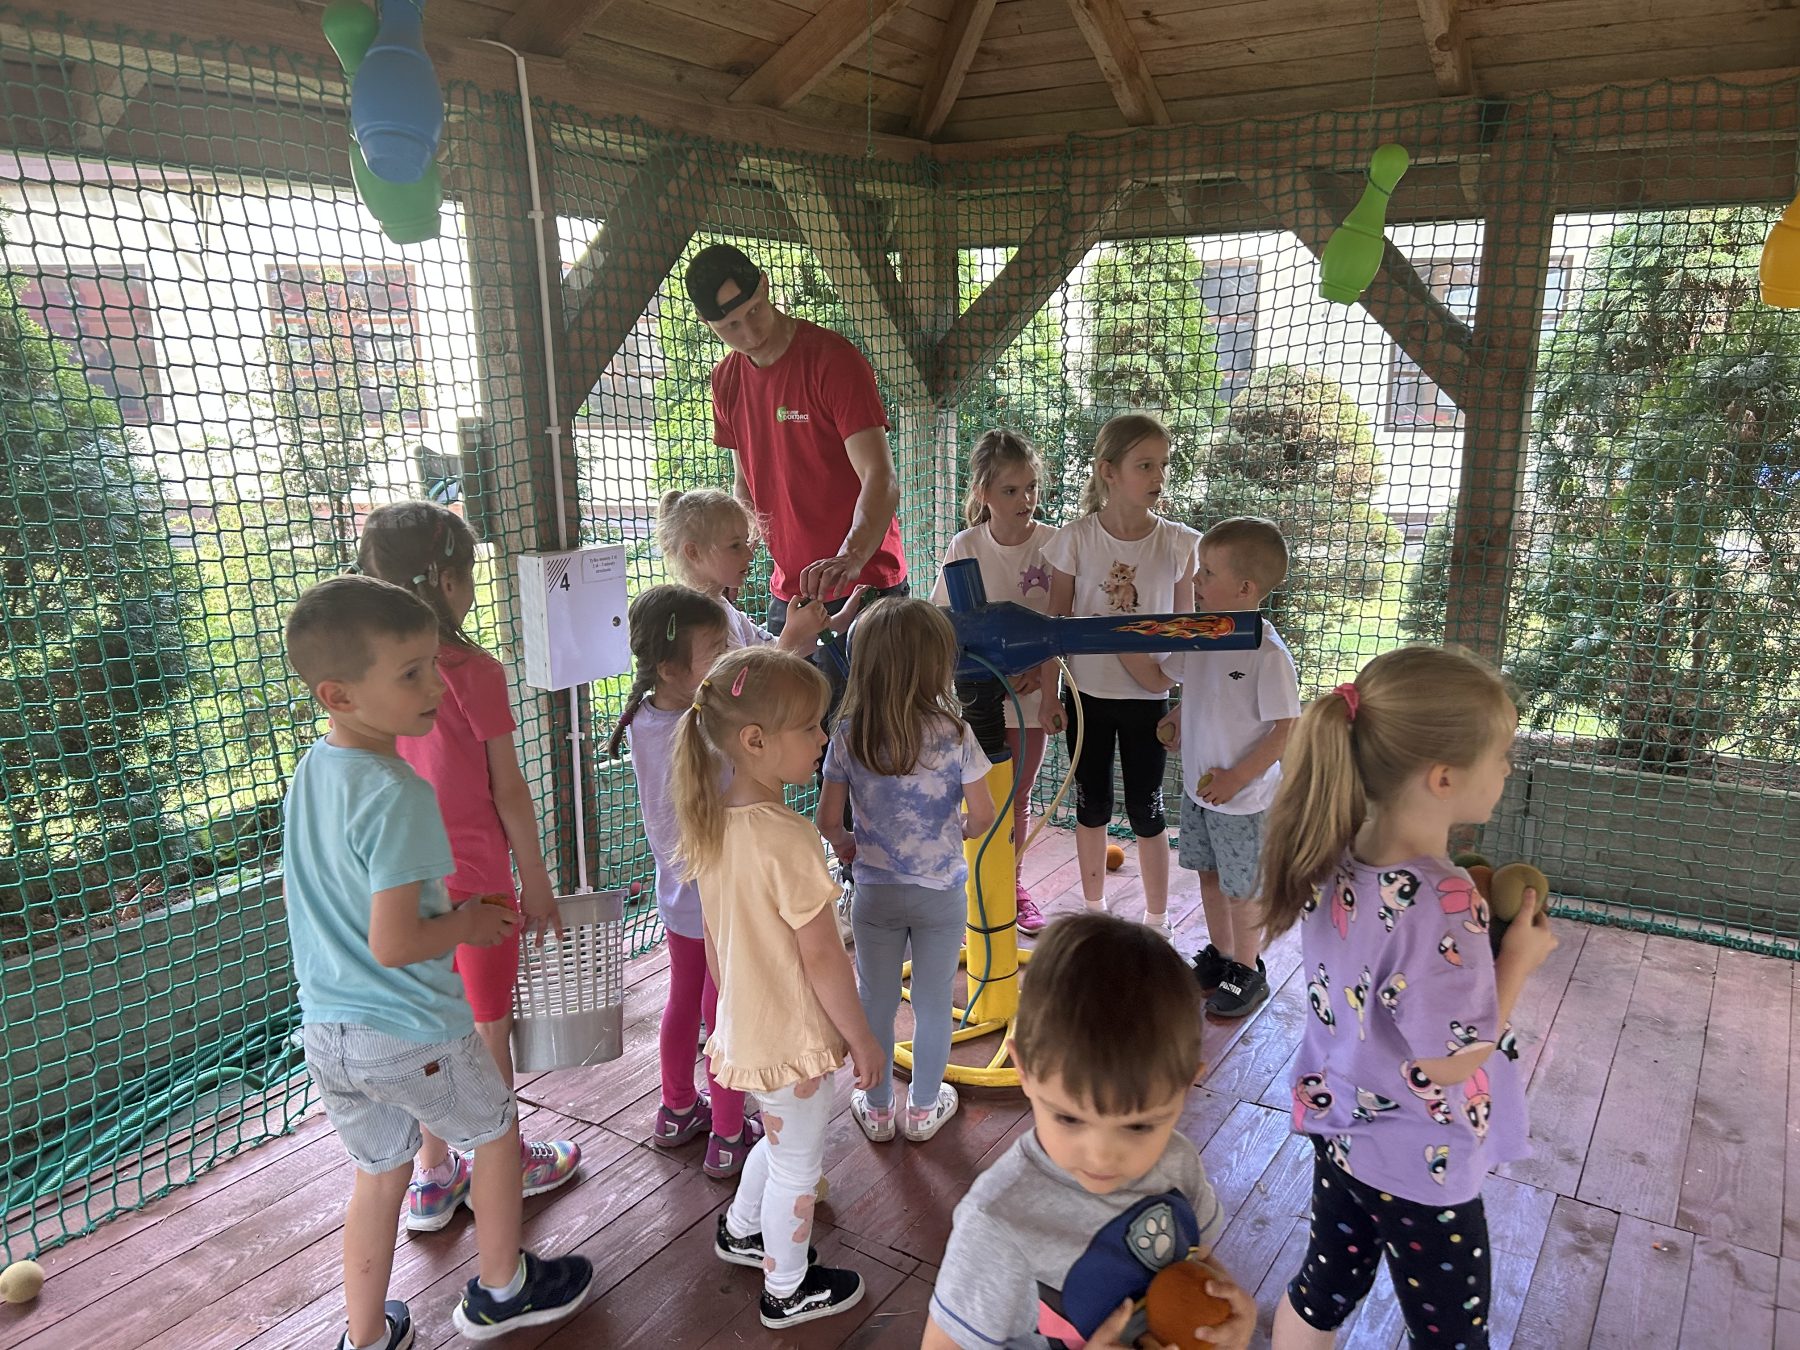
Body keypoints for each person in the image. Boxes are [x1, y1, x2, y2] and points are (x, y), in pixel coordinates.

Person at [280, 576, 592, 1350]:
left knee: (380, 1172)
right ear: (337, 694)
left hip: (328, 1032)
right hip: (411, 1028)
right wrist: (469, 921)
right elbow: (394, 942)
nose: (434, 686)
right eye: (411, 673)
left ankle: (365, 1335)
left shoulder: (313, 771)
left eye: (432, 666)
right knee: (495, 1131)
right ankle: (503, 1291)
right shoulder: (399, 791)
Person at [1262, 647, 1558, 1350]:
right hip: (1421, 1162)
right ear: (1444, 777)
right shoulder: (1446, 903)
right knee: (1452, 1335)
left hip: (1343, 1131)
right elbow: (1450, 1061)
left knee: (1321, 1291)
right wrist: (1516, 962)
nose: (1508, 770)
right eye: (1502, 755)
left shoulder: (1336, 849)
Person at [356, 503, 580, 1228]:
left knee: (427, 1029)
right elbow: (507, 787)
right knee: (488, 1031)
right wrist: (538, 885)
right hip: (479, 887)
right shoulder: (472, 670)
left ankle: (432, 1176)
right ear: (448, 580)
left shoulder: (367, 680)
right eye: (472, 574)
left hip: (399, 891)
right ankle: (500, 1166)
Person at [923, 913, 1256, 1350]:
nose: (1101, 1155)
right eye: (1069, 1118)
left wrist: (1233, 1315)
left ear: (1186, 1086)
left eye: (1139, 1125)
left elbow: (1200, 1260)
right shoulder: (997, 1222)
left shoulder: (1177, 1163)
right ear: (1024, 1070)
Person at [672, 645, 885, 1329]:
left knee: (779, 1140)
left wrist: (734, 1012)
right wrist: (862, 1037)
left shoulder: (711, 822)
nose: (823, 737)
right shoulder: (788, 837)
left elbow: (715, 943)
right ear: (756, 741)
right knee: (798, 1165)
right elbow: (822, 956)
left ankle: (741, 1231)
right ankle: (786, 1290)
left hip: (747, 1028)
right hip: (792, 1039)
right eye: (811, 725)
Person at [683, 242, 908, 693]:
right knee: (789, 724)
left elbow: (880, 477)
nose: (749, 332)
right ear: (709, 327)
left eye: (754, 311)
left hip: (864, 586)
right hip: (790, 595)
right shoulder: (725, 380)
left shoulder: (831, 360)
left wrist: (851, 556)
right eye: (730, 326)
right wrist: (732, 557)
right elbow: (745, 484)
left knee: (870, 729)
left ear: (766, 287)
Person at [817, 598, 995, 1145]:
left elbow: (827, 820)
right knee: (934, 1001)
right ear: (936, 665)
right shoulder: (955, 733)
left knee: (876, 997)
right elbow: (984, 814)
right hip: (941, 893)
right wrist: (959, 831)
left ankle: (876, 1110)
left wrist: (847, 844)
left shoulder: (848, 733)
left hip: (876, 894)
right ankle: (922, 1109)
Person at [605, 584, 763, 1177]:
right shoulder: (705, 727)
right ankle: (728, 1133)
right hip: (721, 896)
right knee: (724, 1012)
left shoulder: (644, 717)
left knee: (684, 999)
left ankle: (675, 1109)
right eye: (716, 652)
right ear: (672, 670)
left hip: (677, 894)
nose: (729, 659)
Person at [1122, 517, 1300, 1018]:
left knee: (1241, 889)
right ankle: (1222, 956)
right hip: (1201, 791)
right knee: (1208, 875)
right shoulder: (1200, 636)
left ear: (1245, 589)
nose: (1196, 580)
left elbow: (1286, 729)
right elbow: (1180, 684)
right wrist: (1177, 717)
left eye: (1207, 572)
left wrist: (1237, 777)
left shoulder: (1267, 652)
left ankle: (1248, 969)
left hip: (1243, 800)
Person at [1039, 412, 1199, 935]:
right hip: (1087, 698)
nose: (1158, 477)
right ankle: (1094, 912)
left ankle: (1157, 919)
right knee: (1092, 805)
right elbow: (1054, 627)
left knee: (1148, 809)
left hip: (1148, 701)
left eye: (1163, 465)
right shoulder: (1075, 540)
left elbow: (1188, 637)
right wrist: (1050, 695)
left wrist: (1183, 705)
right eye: (1145, 465)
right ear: (1108, 471)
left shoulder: (1179, 544)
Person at [930, 429, 1058, 934]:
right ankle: (975, 883)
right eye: (1010, 490)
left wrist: (1038, 675)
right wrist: (990, 675)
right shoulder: (966, 546)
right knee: (978, 795)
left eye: (1030, 488)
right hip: (979, 701)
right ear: (983, 493)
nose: (1025, 499)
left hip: (1031, 698)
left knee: (1018, 795)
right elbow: (946, 626)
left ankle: (1012, 885)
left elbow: (1061, 622)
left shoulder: (1053, 545)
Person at [654, 486, 841, 655]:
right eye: (735, 546)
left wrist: (845, 616)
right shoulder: (697, 622)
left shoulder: (722, 606)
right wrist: (792, 634)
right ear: (694, 553)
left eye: (745, 542)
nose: (749, 555)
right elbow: (748, 680)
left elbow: (774, 649)